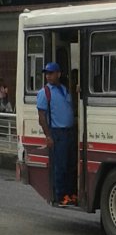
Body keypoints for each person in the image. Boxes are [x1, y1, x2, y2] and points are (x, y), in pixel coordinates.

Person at [36, 62, 76, 206]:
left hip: (69, 132)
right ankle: (60, 196)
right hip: (57, 133)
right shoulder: (44, 92)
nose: (48, 76)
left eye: (51, 73)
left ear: (58, 74)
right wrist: (48, 136)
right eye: (47, 73)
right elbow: (41, 117)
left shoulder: (64, 89)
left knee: (71, 164)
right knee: (60, 165)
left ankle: (70, 194)